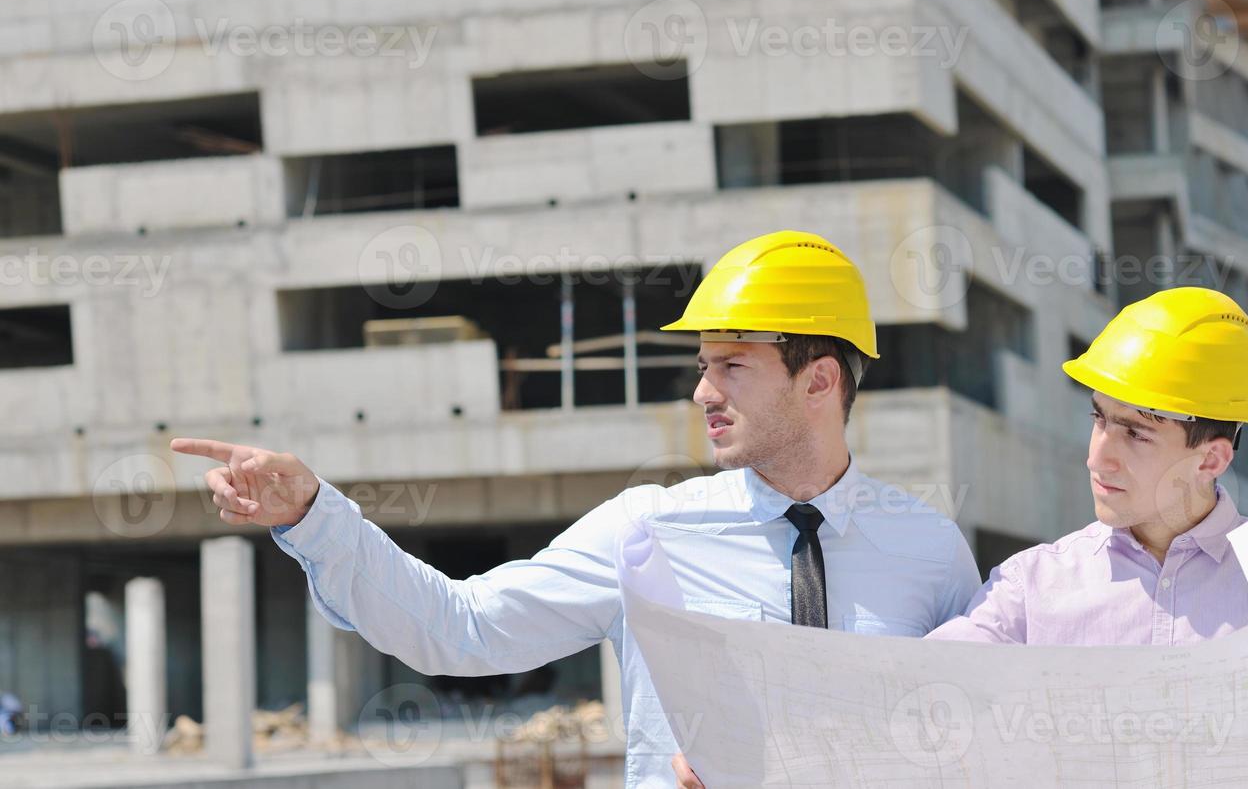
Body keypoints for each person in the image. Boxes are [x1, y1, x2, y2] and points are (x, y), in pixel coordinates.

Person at [177, 229, 981, 788]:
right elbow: (463, 628)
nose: (703, 391)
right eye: (703, 366)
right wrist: (315, 515)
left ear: (819, 381)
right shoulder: (648, 532)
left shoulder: (930, 549)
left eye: (732, 365)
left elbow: (974, 743)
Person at [675, 287, 1248, 789]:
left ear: (1211, 457)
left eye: (1135, 432)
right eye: (1098, 418)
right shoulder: (1033, 587)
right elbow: (908, 693)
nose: (1099, 455)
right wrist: (761, 735)